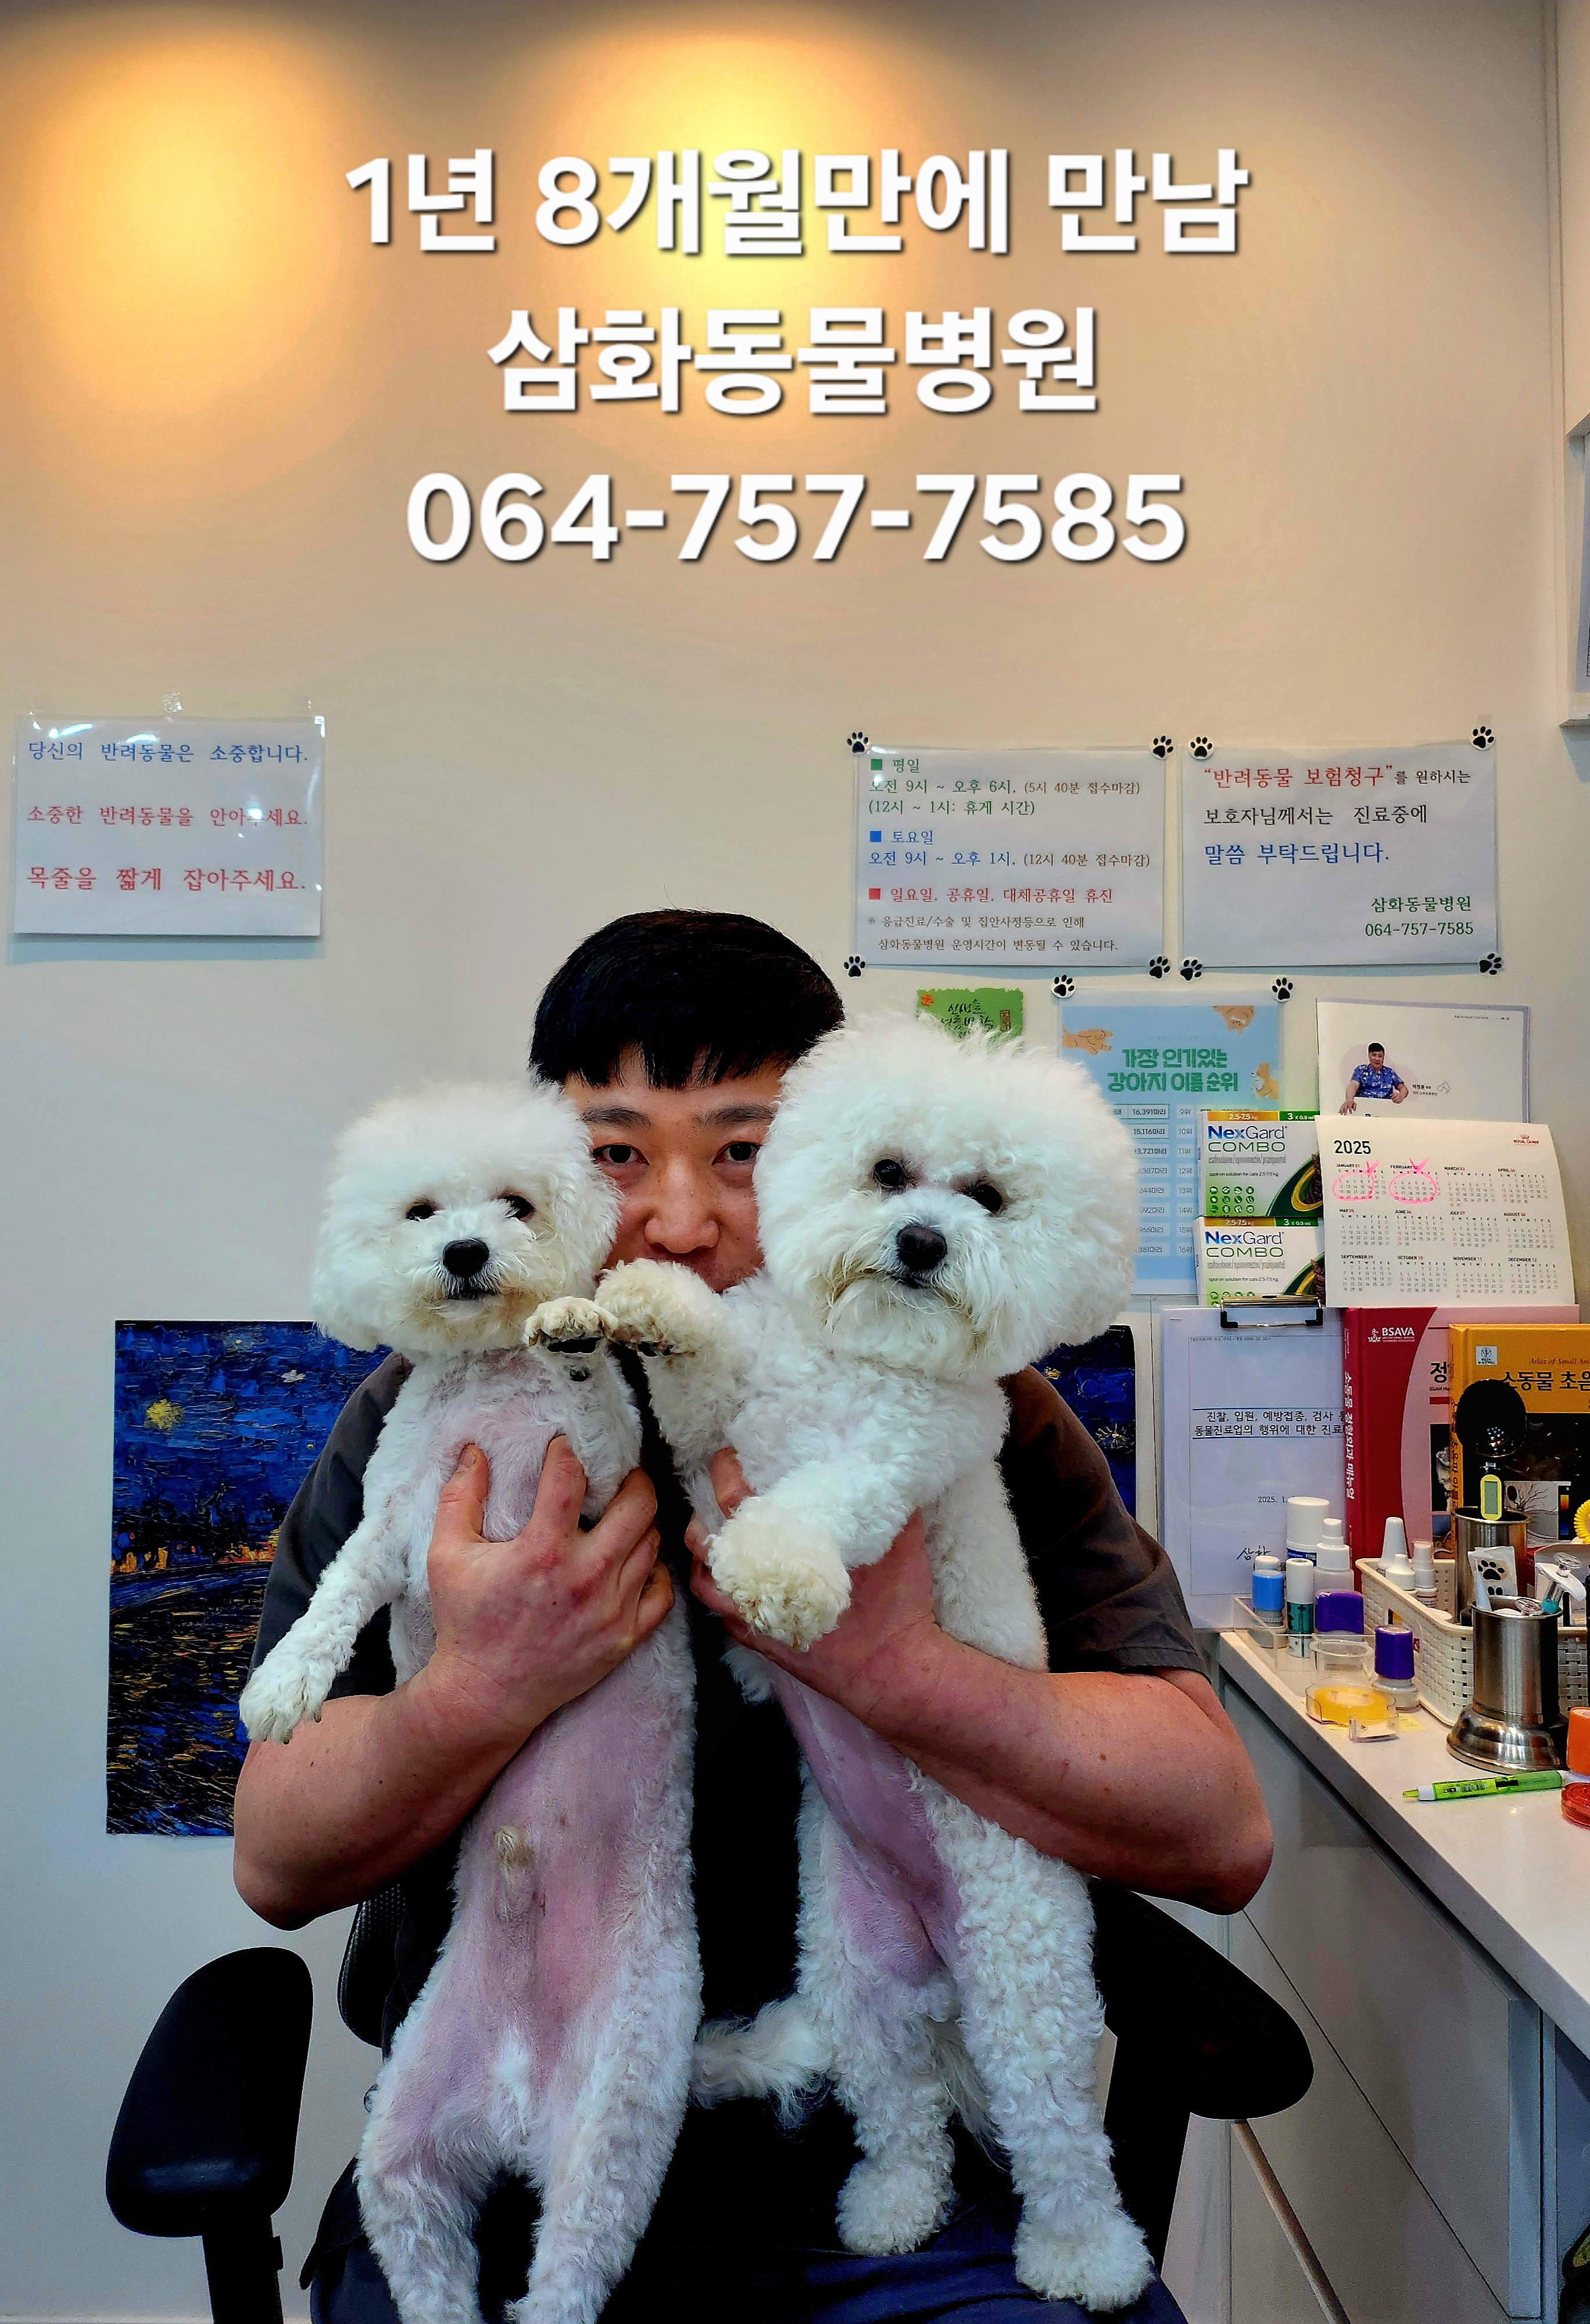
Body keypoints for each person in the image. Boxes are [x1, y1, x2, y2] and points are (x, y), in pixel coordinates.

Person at [234, 910, 1273, 2323]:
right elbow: (278, 1856)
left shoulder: (964, 1399)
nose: (677, 1218)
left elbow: (1218, 1832)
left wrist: (897, 1667)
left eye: (740, 1150)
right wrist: (483, 1684)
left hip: (898, 2184)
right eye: (616, 1153)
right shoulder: (448, 1397)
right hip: (515, 2142)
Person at [1340, 1042, 1409, 1111]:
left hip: (1385, 1109)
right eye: (1374, 1055)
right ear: (1369, 1056)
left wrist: (1401, 1096)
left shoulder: (1389, 1072)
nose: (1377, 1059)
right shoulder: (1361, 1070)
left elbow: (1403, 1088)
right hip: (1364, 1108)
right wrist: (1349, 1100)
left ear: (1383, 1058)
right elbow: (1353, 1085)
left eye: (1380, 1056)